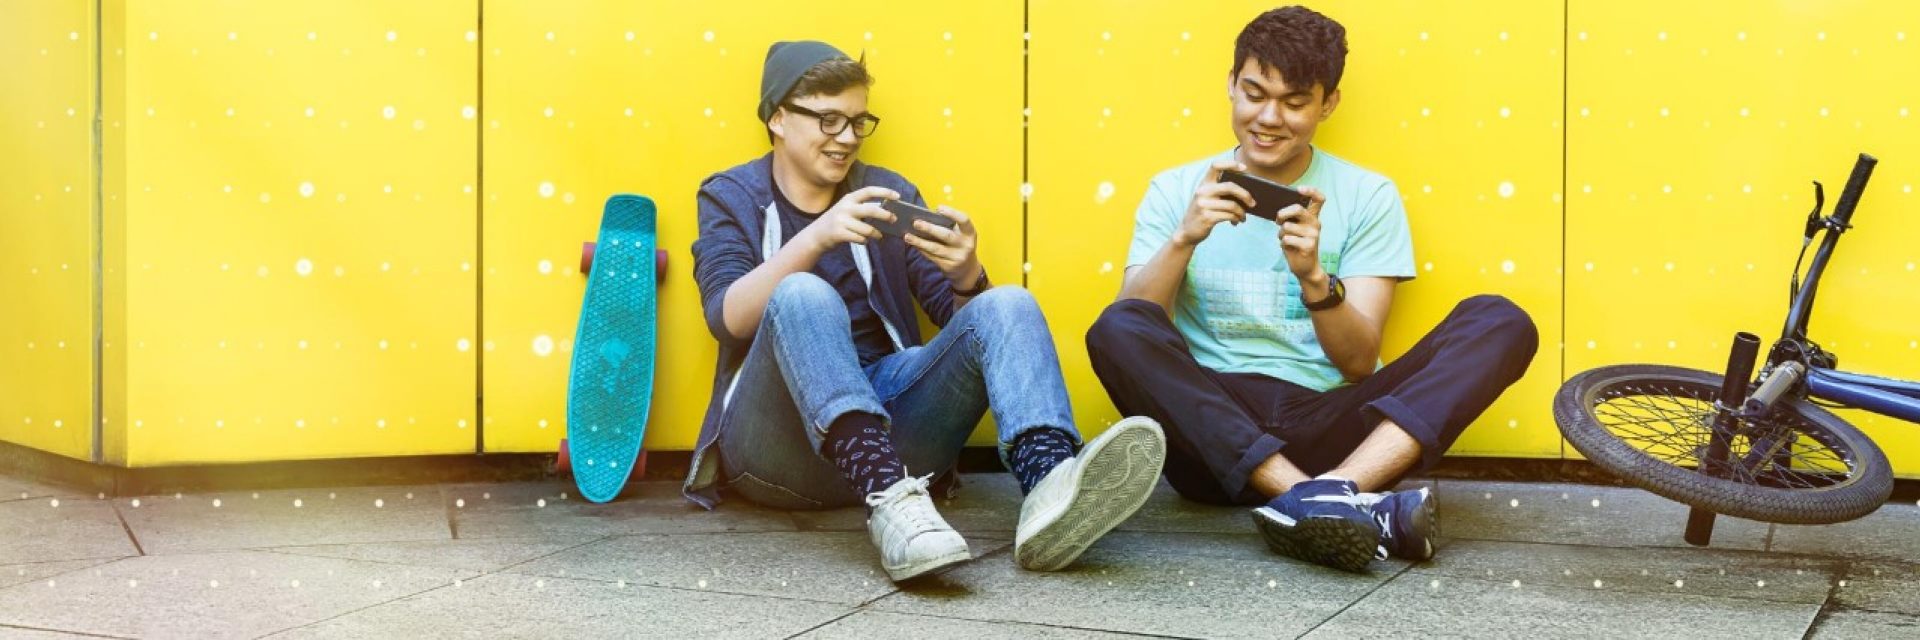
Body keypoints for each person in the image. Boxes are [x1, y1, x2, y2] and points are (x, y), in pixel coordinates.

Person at [686, 40, 1168, 582]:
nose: (846, 138)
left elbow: (962, 325)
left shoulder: (886, 193)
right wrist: (817, 237)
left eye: (856, 121)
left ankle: (1050, 489)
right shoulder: (731, 194)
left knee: (1006, 302)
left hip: (894, 431)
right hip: (775, 449)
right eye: (828, 120)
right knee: (801, 292)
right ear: (777, 117)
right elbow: (726, 318)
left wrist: (966, 275)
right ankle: (890, 502)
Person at [1085, 6, 1538, 572]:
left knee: (1500, 321)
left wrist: (1315, 279)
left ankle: (1326, 493)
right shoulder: (1176, 188)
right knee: (1115, 323)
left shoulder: (1368, 194)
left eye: (1295, 103)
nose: (1268, 118)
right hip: (1211, 433)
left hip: (1332, 428)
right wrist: (1184, 238)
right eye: (1253, 94)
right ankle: (1321, 503)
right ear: (1230, 85)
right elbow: (1133, 333)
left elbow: (1356, 363)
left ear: (1328, 104)